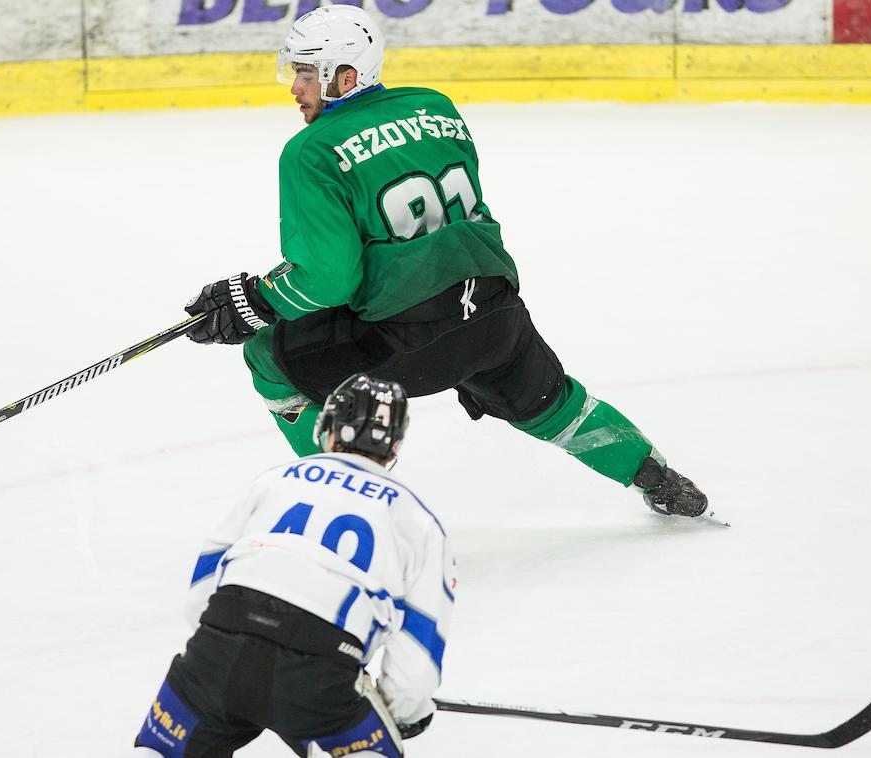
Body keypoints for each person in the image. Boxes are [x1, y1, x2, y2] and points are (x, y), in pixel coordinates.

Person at [182, 5, 707, 518]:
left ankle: (347, 509)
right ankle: (658, 477)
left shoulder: (310, 152)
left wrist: (257, 301)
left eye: (303, 73)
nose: (293, 87)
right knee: (554, 404)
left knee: (269, 356)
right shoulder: (436, 106)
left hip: (400, 340)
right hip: (494, 316)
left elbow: (329, 279)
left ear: (342, 77)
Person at [124, 374, 453, 757]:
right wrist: (403, 711)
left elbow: (203, 592)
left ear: (326, 427)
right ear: (395, 445)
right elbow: (416, 658)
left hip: (217, 651)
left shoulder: (275, 482)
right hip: (320, 677)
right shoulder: (420, 522)